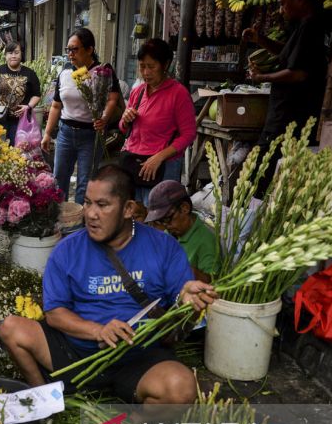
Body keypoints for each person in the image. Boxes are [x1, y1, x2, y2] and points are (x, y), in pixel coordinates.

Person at [0, 165, 217, 403]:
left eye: (102, 205)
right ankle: (45, 401)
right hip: (77, 355)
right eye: (88, 203)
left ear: (128, 209)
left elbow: (181, 300)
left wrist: (187, 300)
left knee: (181, 388)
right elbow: (55, 314)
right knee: (12, 328)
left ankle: (130, 423)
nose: (91, 213)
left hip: (138, 357)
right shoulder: (67, 250)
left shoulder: (163, 247)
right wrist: (97, 331)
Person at [243, 0, 328, 197]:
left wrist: (261, 77)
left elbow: (298, 73)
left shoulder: (311, 27)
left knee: (260, 174)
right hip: (283, 117)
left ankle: (252, 220)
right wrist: (260, 39)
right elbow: (288, 54)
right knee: (263, 172)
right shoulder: (302, 27)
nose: (281, 10)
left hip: (288, 119)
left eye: (283, 3)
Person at [41, 28, 122, 205]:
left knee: (85, 183)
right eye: (68, 49)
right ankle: (58, 218)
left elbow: (112, 99)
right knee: (59, 178)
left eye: (74, 49)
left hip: (91, 135)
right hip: (65, 133)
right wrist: (47, 133)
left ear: (89, 49)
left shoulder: (102, 72)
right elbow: (56, 105)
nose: (70, 54)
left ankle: (79, 224)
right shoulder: (65, 72)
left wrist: (104, 118)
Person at [119, 38, 196, 205]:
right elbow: (126, 130)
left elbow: (189, 134)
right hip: (134, 163)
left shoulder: (178, 93)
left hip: (163, 167)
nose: (146, 72)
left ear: (165, 65)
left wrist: (159, 157)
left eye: (151, 67)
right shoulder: (137, 91)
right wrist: (125, 120)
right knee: (133, 214)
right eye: (142, 66)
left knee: (156, 217)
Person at [146, 180, 219, 283]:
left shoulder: (206, 240)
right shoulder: (171, 232)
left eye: (167, 219)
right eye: (161, 221)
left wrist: (187, 270)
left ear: (185, 208)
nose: (166, 226)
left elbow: (213, 281)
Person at [0, 42, 41, 147]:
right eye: (10, 53)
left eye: (16, 53)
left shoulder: (30, 73)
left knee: (17, 150)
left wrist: (29, 106)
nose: (13, 56)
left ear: (21, 54)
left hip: (20, 121)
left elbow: (36, 95)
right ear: (5, 55)